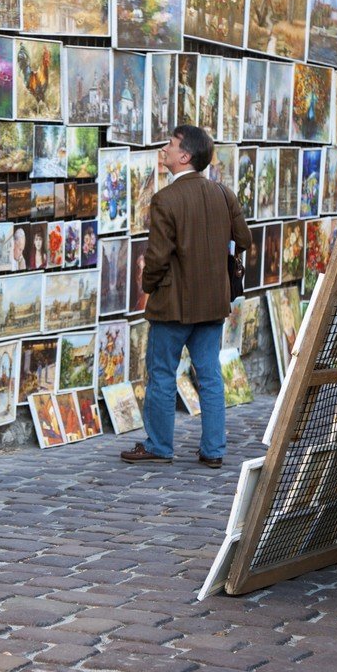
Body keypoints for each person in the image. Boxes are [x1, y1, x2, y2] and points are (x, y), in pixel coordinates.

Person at [121, 125, 251, 469]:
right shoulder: (223, 194)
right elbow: (244, 238)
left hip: (173, 305)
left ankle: (160, 446)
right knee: (209, 375)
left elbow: (159, 255)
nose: (164, 148)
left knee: (162, 373)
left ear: (185, 156)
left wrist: (147, 284)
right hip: (212, 303)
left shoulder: (166, 199)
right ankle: (213, 449)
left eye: (170, 144)